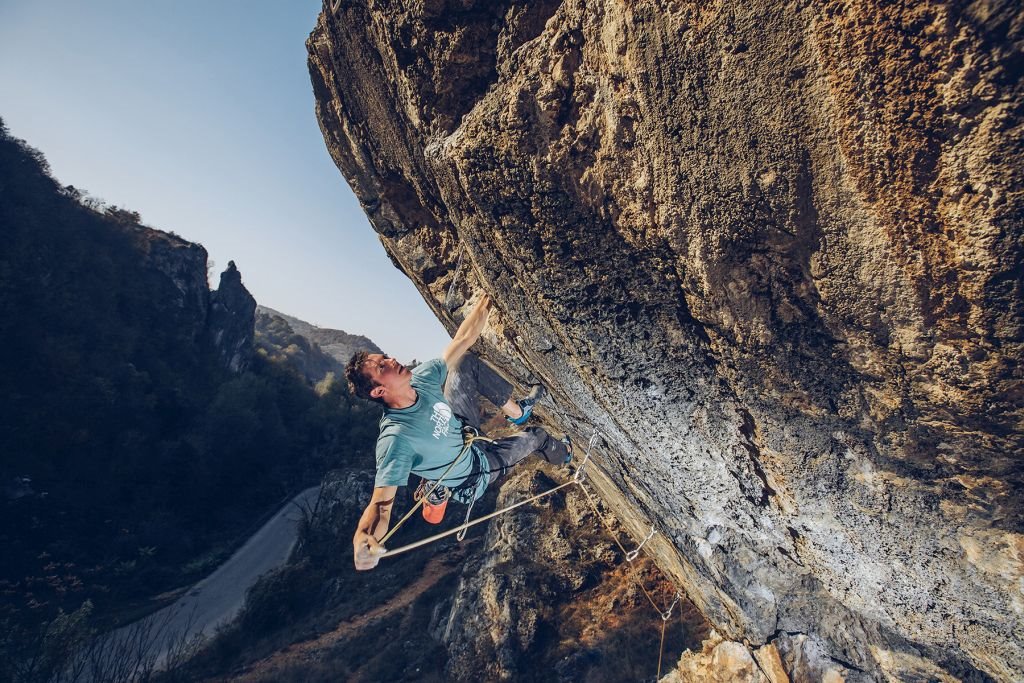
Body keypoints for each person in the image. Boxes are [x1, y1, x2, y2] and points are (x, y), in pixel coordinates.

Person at [344, 294, 571, 571]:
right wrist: (363, 539)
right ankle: (566, 453)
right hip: (476, 472)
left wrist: (486, 302)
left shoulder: (422, 377)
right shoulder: (396, 439)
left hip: (466, 431)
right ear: (379, 391)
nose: (391, 360)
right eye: (382, 367)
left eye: (385, 358)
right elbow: (381, 505)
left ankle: (517, 412)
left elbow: (462, 340)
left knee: (463, 363)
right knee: (537, 437)